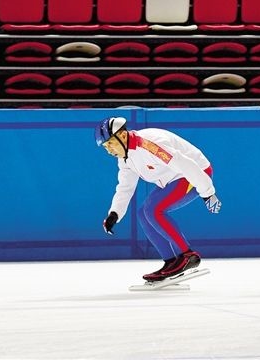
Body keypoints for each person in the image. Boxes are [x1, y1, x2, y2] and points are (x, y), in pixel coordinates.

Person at [95, 117, 222, 282]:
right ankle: (171, 261)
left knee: (152, 210)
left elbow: (185, 164)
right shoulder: (125, 158)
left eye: (111, 143)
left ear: (123, 135)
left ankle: (187, 255)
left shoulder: (149, 145)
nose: (109, 150)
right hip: (174, 177)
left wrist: (207, 193)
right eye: (106, 147)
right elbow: (125, 187)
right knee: (143, 213)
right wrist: (115, 213)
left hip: (196, 173)